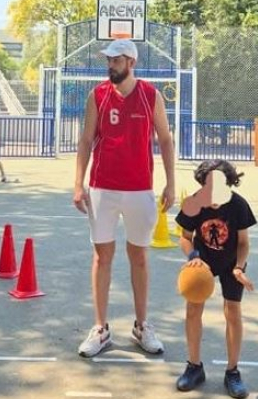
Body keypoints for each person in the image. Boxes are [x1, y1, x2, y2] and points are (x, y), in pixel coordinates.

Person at [73, 39, 176, 358]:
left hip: (140, 188)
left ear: (131, 62)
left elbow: (165, 139)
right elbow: (87, 140)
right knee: (102, 257)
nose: (110, 65)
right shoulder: (98, 96)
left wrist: (171, 184)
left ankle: (142, 325)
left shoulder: (150, 95)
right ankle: (100, 328)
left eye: (116, 60)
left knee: (139, 257)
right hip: (102, 187)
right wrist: (78, 183)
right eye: (109, 60)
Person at [174, 160, 256, 399]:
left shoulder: (238, 206)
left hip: (232, 263)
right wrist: (193, 256)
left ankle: (232, 371)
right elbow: (185, 237)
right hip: (203, 262)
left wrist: (239, 268)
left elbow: (243, 243)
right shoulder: (194, 203)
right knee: (193, 310)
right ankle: (194, 366)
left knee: (233, 311)